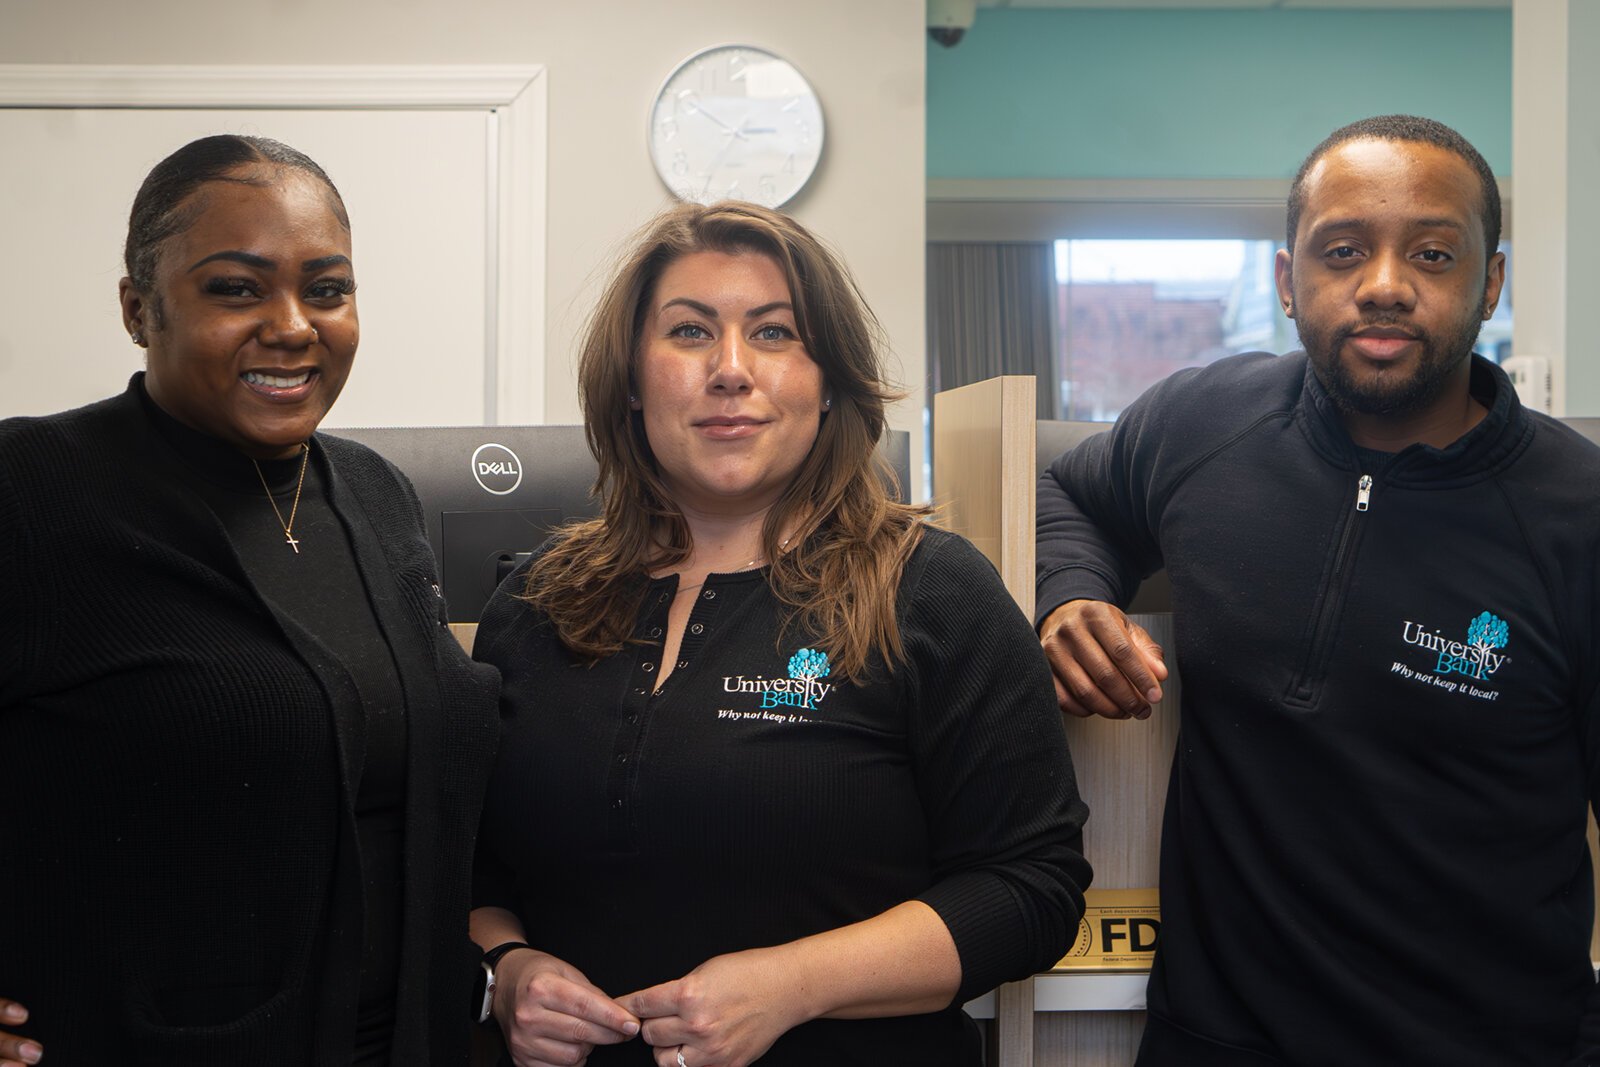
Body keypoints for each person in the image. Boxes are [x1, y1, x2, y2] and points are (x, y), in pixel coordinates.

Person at [468, 201, 1090, 1067]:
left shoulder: (934, 593)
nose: (730, 370)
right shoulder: (533, 602)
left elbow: (1033, 890)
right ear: (633, 377)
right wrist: (508, 967)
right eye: (689, 333)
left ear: (827, 378)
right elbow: (471, 870)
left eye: (773, 333)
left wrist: (793, 984)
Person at [1036, 113, 1600, 1065]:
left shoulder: (1576, 513)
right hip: (1212, 1038)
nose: (1384, 285)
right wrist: (1070, 595)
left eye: (1431, 252)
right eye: (1343, 251)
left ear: (1489, 281)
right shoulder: (1201, 420)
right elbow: (1072, 490)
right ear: (1288, 282)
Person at [0, 135, 500, 1065]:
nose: (293, 325)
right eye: (236, 288)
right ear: (138, 308)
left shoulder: (377, 494)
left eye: (327, 287)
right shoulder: (32, 489)